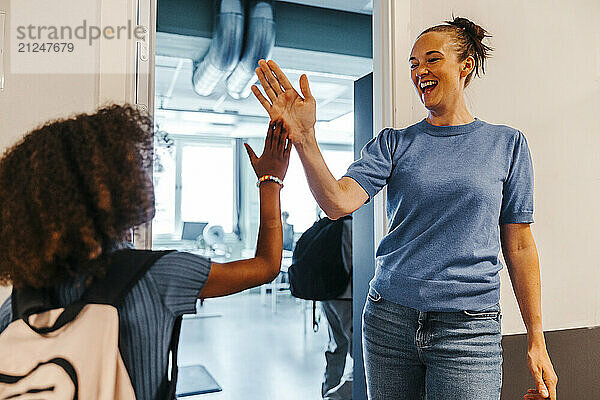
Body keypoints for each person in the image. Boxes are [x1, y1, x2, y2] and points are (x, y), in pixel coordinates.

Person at [251, 17, 558, 400]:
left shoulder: (507, 144)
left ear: (466, 66)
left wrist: (536, 338)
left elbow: (520, 246)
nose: (420, 71)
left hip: (468, 328)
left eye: (432, 59)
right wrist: (305, 139)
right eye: (413, 63)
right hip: (389, 320)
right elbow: (337, 202)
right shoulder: (394, 144)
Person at [0, 105, 291, 399]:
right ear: (119, 186)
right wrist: (270, 181)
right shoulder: (156, 276)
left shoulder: (19, 300)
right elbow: (266, 266)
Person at [320, 215, 353, 400]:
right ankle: (335, 398)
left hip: (327, 297)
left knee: (336, 347)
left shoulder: (328, 225)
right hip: (347, 297)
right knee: (359, 354)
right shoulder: (352, 227)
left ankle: (327, 390)